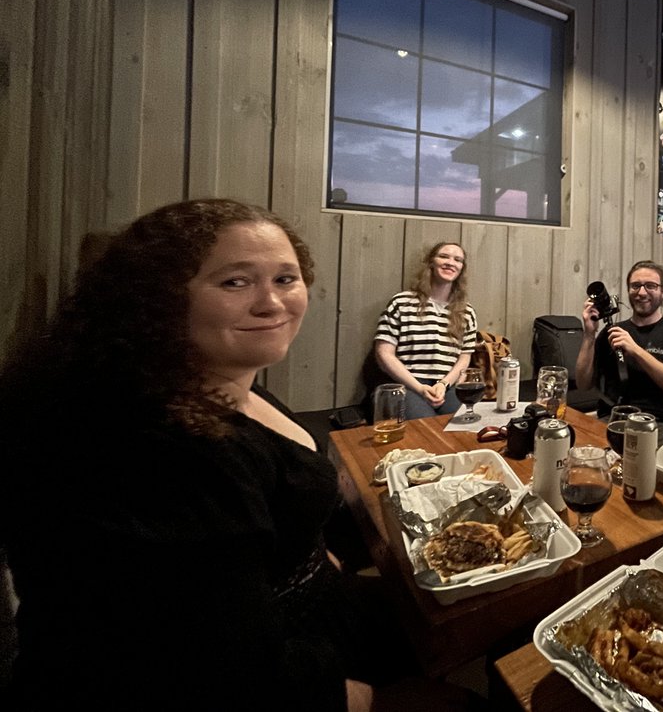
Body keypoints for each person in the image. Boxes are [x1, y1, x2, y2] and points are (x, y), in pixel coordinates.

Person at [0, 199, 443, 710]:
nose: (272, 303)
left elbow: (265, 524)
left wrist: (318, 553)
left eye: (285, 279)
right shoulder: (160, 448)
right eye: (236, 282)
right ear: (156, 299)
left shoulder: (227, 385)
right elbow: (219, 669)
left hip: (313, 610)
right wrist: (368, 701)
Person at [575, 260, 663, 424]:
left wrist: (636, 350)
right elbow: (583, 384)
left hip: (657, 423)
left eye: (651, 286)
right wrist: (589, 334)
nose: (642, 292)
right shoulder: (612, 332)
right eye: (635, 286)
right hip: (611, 419)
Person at [373, 242, 478, 418]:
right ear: (431, 262)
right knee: (425, 427)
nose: (450, 263)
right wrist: (420, 387)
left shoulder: (467, 311)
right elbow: (384, 354)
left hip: (447, 386)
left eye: (457, 260)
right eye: (443, 256)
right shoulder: (401, 303)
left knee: (465, 424)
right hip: (407, 385)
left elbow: (464, 357)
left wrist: (444, 384)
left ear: (461, 269)